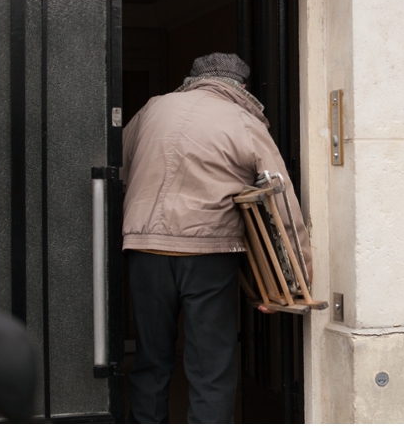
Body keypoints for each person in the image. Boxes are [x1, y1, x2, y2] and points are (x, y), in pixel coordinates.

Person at [121, 52, 312, 423]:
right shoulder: (242, 119)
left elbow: (120, 169)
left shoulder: (151, 109)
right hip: (208, 251)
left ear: (192, 78)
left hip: (143, 248)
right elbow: (280, 199)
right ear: (240, 87)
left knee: (150, 361)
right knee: (211, 367)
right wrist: (294, 280)